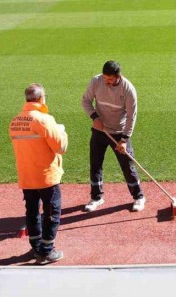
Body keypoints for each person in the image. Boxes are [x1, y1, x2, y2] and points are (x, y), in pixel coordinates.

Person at [9, 83, 68, 264]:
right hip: (46, 175)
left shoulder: (15, 121)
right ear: (41, 98)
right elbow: (60, 147)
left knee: (32, 211)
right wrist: (62, 131)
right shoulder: (44, 120)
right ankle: (46, 251)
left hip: (27, 175)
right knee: (52, 212)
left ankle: (35, 247)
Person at [81, 60, 145, 212]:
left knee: (127, 166)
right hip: (100, 131)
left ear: (118, 76)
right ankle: (96, 197)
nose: (106, 81)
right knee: (95, 164)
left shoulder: (128, 89)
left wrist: (124, 140)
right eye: (105, 78)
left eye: (110, 79)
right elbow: (86, 101)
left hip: (119, 133)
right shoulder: (96, 81)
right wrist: (94, 117)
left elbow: (131, 116)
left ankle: (139, 197)